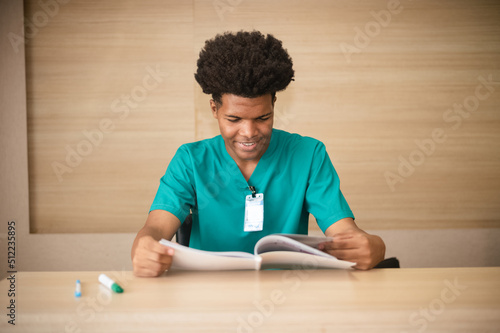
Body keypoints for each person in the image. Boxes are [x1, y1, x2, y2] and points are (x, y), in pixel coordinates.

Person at [131, 31, 385, 277]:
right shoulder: (191, 160)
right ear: (214, 109)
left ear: (274, 104)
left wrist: (372, 246)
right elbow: (154, 228)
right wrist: (144, 246)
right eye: (234, 118)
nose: (249, 132)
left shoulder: (309, 155)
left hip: (285, 296)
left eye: (263, 117)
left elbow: (345, 233)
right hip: (207, 295)